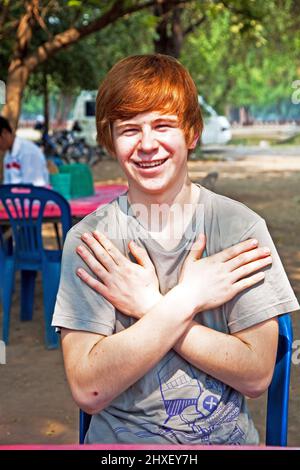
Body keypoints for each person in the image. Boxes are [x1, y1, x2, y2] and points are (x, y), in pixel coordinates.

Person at [52, 54, 299, 445]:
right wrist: (188, 298)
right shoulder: (93, 241)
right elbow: (88, 390)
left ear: (191, 134)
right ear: (110, 139)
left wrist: (150, 305)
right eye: (129, 129)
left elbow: (255, 376)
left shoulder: (238, 229)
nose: (147, 144)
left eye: (163, 126)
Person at [0, 116, 49, 186]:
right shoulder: (8, 155)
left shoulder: (29, 153)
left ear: (4, 133)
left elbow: (30, 189)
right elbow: (7, 185)